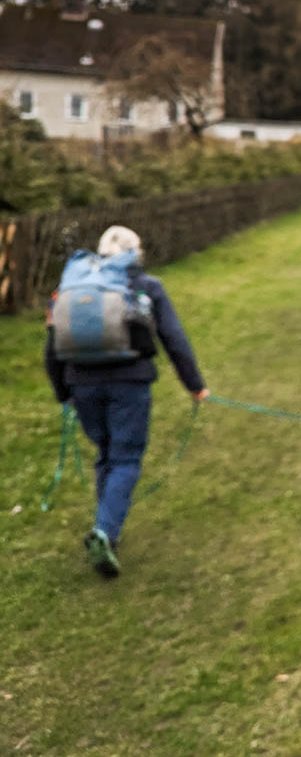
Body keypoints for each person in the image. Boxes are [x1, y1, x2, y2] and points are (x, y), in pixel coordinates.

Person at [44, 225, 209, 577]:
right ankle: (105, 531)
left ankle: (106, 529)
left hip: (81, 383)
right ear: (137, 253)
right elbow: (173, 338)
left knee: (105, 454)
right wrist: (195, 386)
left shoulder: (68, 289)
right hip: (129, 383)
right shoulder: (147, 287)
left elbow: (52, 348)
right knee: (126, 458)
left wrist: (64, 392)